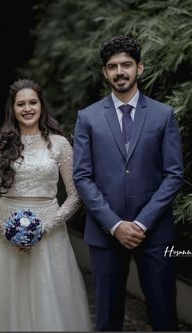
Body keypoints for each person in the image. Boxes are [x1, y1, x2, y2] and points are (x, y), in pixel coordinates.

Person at [0, 79, 92, 331]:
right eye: (21, 103)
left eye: (33, 102)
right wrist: (6, 230)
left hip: (50, 230)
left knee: (49, 299)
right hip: (4, 229)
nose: (28, 108)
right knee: (3, 298)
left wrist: (44, 228)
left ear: (41, 105)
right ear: (13, 108)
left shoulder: (60, 144)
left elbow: (75, 195)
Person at [73, 35, 183, 331]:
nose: (120, 71)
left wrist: (142, 223)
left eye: (126, 65)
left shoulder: (163, 115)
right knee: (107, 320)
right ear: (104, 72)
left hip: (155, 233)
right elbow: (82, 176)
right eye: (112, 66)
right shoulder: (87, 118)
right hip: (105, 234)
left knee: (164, 317)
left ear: (140, 68)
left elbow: (174, 174)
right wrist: (116, 225)